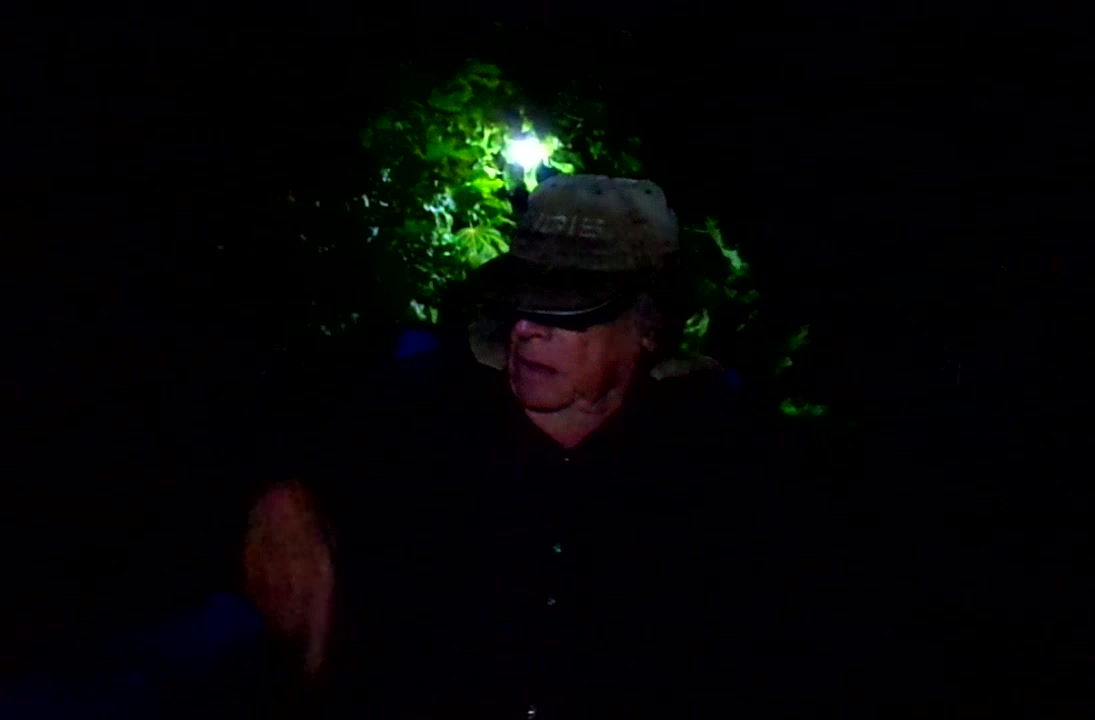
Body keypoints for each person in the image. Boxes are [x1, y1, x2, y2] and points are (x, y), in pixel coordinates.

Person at [244, 176, 802, 719]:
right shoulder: (423, 411)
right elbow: (258, 409)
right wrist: (282, 497)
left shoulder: (719, 456)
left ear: (648, 326)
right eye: (523, 298)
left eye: (568, 305)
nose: (528, 328)